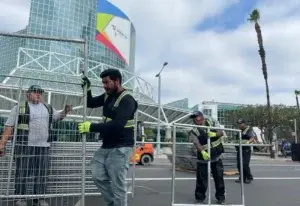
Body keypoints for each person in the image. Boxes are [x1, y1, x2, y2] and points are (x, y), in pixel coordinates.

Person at [0, 85, 72, 206]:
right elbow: (9, 126)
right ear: (27, 94)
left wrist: (65, 111)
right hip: (24, 146)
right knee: (22, 172)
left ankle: (39, 198)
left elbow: (58, 117)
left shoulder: (47, 108)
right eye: (35, 92)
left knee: (42, 173)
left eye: (40, 92)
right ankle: (20, 198)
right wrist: (2, 144)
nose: (38, 94)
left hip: (44, 146)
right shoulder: (19, 107)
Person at [78, 69, 138, 206]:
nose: (104, 86)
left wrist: (91, 127)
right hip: (106, 144)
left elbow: (118, 124)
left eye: (107, 82)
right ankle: (113, 203)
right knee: (97, 175)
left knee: (118, 185)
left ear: (117, 81)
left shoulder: (128, 100)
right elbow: (90, 103)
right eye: (103, 83)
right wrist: (87, 90)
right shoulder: (107, 96)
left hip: (121, 147)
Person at [189, 111, 226, 205]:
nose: (195, 120)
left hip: (216, 155)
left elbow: (222, 132)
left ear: (201, 117)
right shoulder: (194, 131)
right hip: (203, 158)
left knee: (219, 178)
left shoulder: (212, 123)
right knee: (201, 179)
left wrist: (215, 134)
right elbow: (196, 142)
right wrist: (202, 151)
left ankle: (221, 198)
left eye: (196, 118)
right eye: (193, 119)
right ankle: (199, 199)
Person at [235, 119, 255, 184]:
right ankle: (242, 177)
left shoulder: (248, 130)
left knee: (245, 164)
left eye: (240, 123)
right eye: (239, 123)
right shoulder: (239, 130)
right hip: (239, 149)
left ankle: (249, 177)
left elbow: (252, 138)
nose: (239, 125)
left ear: (244, 124)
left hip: (246, 150)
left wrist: (247, 142)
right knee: (239, 164)